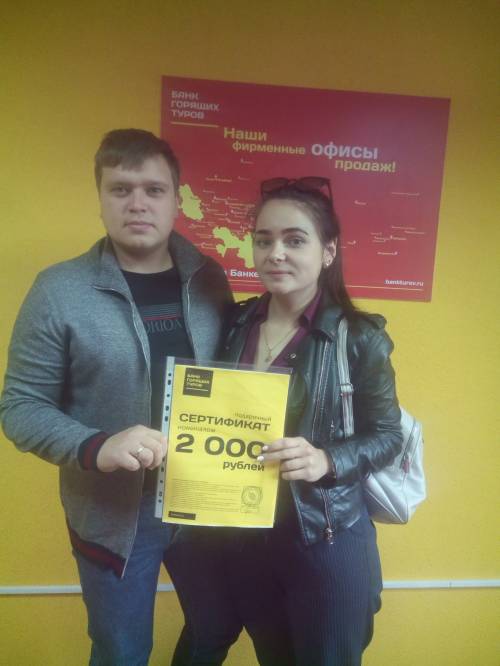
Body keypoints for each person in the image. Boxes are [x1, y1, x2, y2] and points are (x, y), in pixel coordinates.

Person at [0, 128, 233, 665]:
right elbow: (20, 406)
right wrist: (99, 446)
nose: (137, 204)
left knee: (217, 626)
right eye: (121, 189)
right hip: (115, 514)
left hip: (204, 501)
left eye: (153, 190)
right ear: (101, 198)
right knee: (123, 652)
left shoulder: (210, 279)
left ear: (176, 200)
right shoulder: (59, 290)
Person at [164, 176, 403, 666]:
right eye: (264, 240)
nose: (276, 254)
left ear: (328, 251)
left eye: (295, 240)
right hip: (248, 538)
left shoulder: (359, 338)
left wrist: (326, 459)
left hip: (325, 537)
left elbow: (388, 436)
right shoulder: (234, 323)